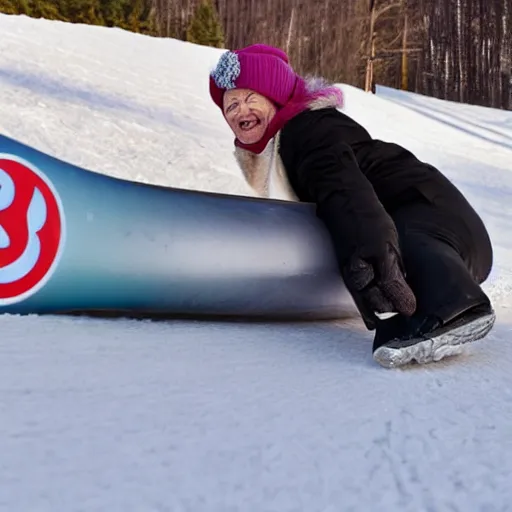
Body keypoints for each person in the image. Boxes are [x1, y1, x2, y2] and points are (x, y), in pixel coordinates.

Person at [208, 43, 495, 368]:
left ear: (274, 99)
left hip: (434, 219)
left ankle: (456, 305)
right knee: (389, 244)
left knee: (393, 237)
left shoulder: (310, 131)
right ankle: (420, 312)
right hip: (450, 239)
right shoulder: (284, 145)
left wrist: (367, 251)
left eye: (249, 99)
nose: (239, 112)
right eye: (230, 106)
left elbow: (343, 189)